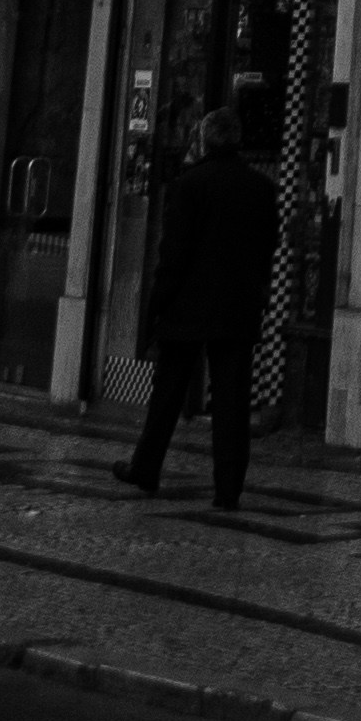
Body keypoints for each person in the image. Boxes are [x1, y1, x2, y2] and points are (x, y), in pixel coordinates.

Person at [123, 87, 282, 511]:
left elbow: (173, 252)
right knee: (232, 402)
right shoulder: (261, 189)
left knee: (168, 393)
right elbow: (269, 245)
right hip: (237, 308)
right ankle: (228, 488)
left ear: (205, 141)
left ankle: (146, 466)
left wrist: (158, 302)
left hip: (188, 306)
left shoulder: (189, 186)